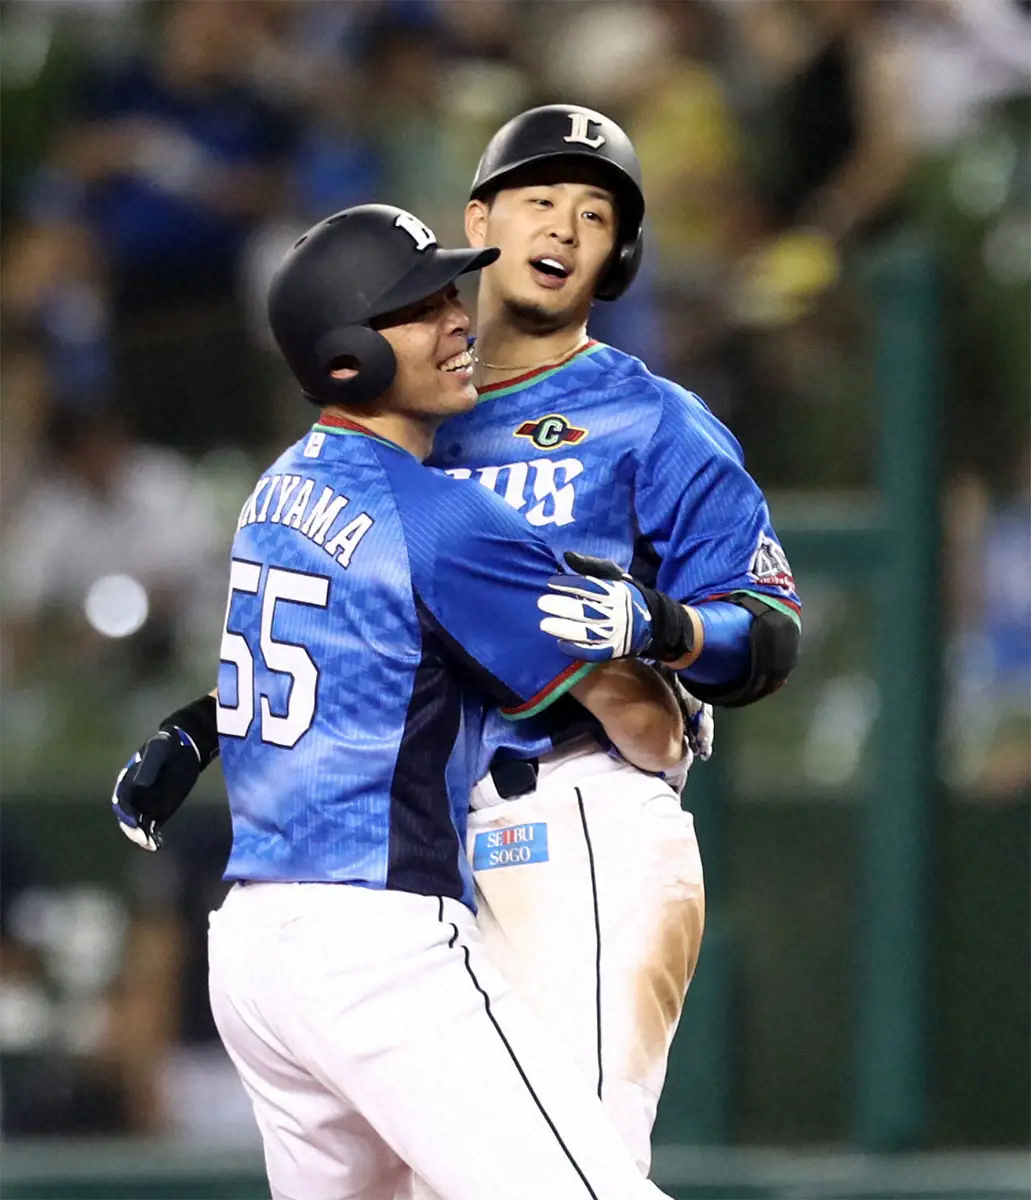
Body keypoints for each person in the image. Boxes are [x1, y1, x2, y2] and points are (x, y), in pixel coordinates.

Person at [113, 106, 802, 1180]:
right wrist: (214, 723)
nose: (564, 227)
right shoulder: (420, 405)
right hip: (422, 844)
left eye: (594, 210)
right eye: (539, 199)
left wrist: (663, 631)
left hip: (568, 811)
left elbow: (763, 632)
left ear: (619, 251)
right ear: (482, 220)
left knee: (571, 1167)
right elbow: (363, 624)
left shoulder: (651, 419)